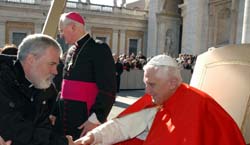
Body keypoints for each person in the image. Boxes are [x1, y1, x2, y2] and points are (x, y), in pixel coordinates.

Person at [74, 54, 246, 145]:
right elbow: (124, 126)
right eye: (146, 84)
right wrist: (94, 137)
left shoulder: (201, 104)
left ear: (172, 83)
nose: (147, 91)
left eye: (152, 85)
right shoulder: (158, 101)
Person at [0, 34, 75, 145]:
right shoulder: (3, 79)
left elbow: (43, 127)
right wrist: (62, 142)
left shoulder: (39, 85)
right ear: (31, 60)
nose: (55, 71)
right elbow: (16, 131)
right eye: (52, 64)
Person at [55, 11, 116, 139]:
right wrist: (55, 112)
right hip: (65, 115)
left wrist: (95, 119)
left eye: (62, 30)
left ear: (73, 27)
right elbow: (64, 87)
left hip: (85, 117)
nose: (60, 34)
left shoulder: (99, 49)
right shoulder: (71, 50)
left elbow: (108, 90)